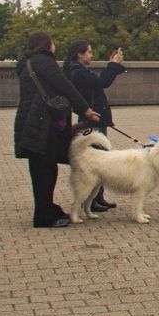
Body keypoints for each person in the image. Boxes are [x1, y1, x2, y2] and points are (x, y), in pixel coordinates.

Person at [14, 32, 99, 228]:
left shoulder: (25, 64)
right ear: (46, 45)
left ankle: (45, 209)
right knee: (46, 169)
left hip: (29, 121)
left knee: (39, 169)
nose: (55, 47)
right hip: (44, 122)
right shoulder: (44, 62)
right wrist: (85, 110)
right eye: (53, 43)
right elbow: (65, 87)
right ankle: (44, 215)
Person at [64, 40, 126, 212]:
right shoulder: (77, 72)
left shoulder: (79, 70)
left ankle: (97, 197)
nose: (91, 55)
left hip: (96, 119)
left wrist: (112, 65)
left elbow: (99, 82)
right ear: (79, 54)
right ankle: (90, 200)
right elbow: (102, 83)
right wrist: (113, 64)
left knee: (101, 161)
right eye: (89, 52)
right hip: (92, 121)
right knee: (95, 163)